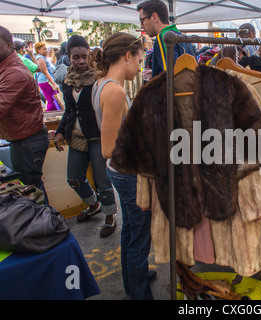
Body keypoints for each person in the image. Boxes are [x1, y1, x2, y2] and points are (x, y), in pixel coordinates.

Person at [89, 32, 156, 300]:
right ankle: (139, 292)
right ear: (127, 56)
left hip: (121, 173)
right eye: (139, 59)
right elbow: (108, 149)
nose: (140, 66)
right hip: (127, 173)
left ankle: (133, 279)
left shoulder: (101, 84)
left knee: (130, 230)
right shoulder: (115, 91)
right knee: (139, 237)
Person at [54, 35, 117, 237]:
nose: (81, 61)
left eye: (84, 56)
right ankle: (94, 204)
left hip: (98, 137)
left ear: (89, 55)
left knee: (103, 181)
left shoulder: (99, 79)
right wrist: (60, 131)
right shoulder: (68, 81)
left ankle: (110, 216)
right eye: (76, 58)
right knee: (73, 178)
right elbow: (69, 111)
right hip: (77, 137)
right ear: (69, 58)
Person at [0, 26, 49, 204]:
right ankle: (48, 225)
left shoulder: (14, 72)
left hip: (28, 140)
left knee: (32, 191)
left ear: (8, 45)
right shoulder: (7, 68)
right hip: (23, 138)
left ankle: (48, 227)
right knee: (32, 189)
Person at [136, 0, 195, 78]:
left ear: (154, 17)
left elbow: (170, 76)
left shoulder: (164, 38)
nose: (142, 26)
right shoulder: (182, 37)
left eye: (142, 21)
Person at [34, 42, 61, 111]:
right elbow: (45, 72)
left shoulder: (42, 58)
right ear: (38, 50)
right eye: (44, 49)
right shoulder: (40, 59)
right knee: (51, 99)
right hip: (46, 81)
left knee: (51, 99)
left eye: (46, 49)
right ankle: (52, 114)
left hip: (46, 81)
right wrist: (53, 84)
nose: (46, 51)